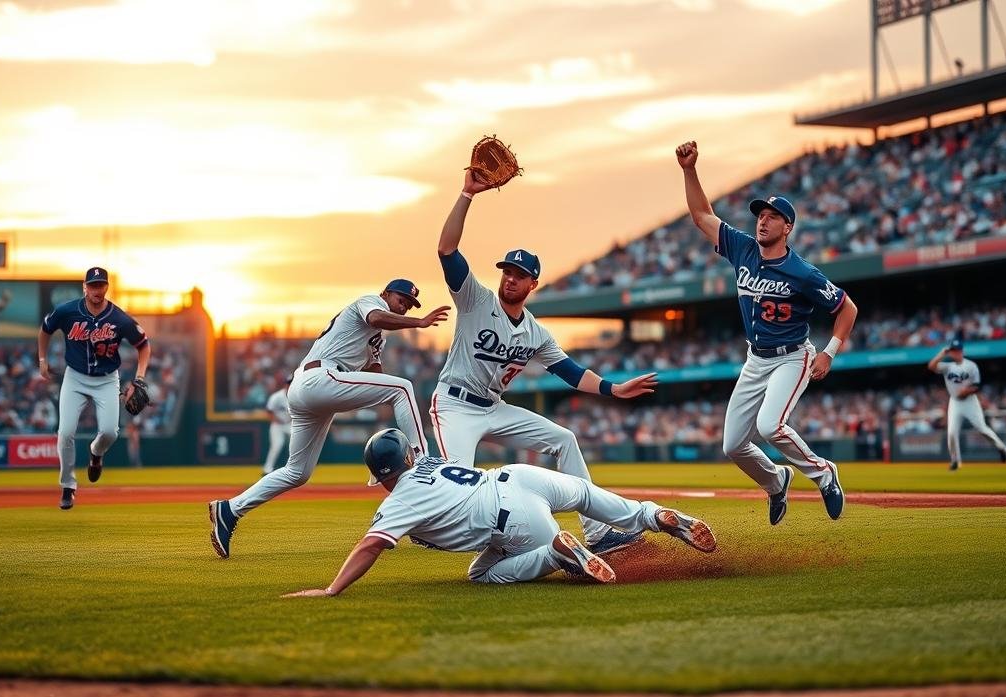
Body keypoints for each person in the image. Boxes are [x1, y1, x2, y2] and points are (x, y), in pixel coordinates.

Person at [430, 167, 659, 555]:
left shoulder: (535, 332)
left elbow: (569, 372)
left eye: (519, 275)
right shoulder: (476, 299)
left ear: (532, 283)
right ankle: (432, 527)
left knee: (564, 440)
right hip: (454, 405)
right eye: (507, 271)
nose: (510, 279)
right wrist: (466, 195)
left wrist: (613, 388)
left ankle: (599, 533)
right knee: (461, 485)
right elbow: (447, 251)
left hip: (493, 408)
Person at [281, 428, 717, 597]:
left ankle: (559, 553)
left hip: (510, 518)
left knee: (481, 576)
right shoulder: (428, 462)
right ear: (411, 457)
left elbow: (370, 545)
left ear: (384, 475)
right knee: (586, 494)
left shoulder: (400, 499)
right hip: (520, 475)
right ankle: (655, 515)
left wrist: (333, 588)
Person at [676, 140, 858, 526]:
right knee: (732, 445)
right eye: (761, 214)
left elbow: (847, 308)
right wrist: (689, 170)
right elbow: (700, 215)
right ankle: (777, 483)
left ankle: (824, 473)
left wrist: (830, 353)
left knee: (769, 425)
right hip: (756, 358)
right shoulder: (743, 248)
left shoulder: (803, 272)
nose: (763, 220)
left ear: (787, 227)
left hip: (794, 356)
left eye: (773, 216)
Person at [208, 280, 449, 559]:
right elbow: (377, 317)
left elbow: (375, 371)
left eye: (410, 305)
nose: (405, 306)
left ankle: (230, 509)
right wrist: (419, 323)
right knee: (403, 387)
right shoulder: (369, 302)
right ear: (385, 294)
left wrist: (382, 397)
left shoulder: (376, 337)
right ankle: (423, 462)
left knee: (297, 472)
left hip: (310, 391)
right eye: (402, 299)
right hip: (319, 379)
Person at [38, 266, 151, 510]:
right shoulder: (68, 311)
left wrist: (139, 379)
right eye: (92, 285)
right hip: (75, 377)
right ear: (84, 287)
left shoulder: (118, 318)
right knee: (65, 432)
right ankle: (68, 486)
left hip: (107, 379)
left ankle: (95, 453)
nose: (97, 290)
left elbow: (143, 345)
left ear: (106, 287)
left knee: (110, 432)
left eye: (101, 285)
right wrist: (42, 360)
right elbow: (46, 329)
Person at [926, 340, 1006, 471]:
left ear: (962, 351)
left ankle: (1002, 448)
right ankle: (955, 461)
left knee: (982, 428)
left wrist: (966, 391)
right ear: (951, 352)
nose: (956, 352)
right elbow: (931, 366)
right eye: (953, 350)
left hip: (970, 401)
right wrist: (941, 354)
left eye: (958, 350)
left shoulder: (971, 366)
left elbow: (977, 386)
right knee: (952, 432)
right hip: (955, 402)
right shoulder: (948, 366)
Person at [261, 376, 290, 474]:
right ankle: (267, 469)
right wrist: (276, 420)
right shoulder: (277, 397)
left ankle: (293, 470)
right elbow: (269, 411)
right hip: (277, 425)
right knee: (277, 445)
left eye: (292, 383)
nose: (290, 385)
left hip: (290, 424)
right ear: (285, 384)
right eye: (289, 383)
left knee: (294, 447)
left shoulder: (297, 396)